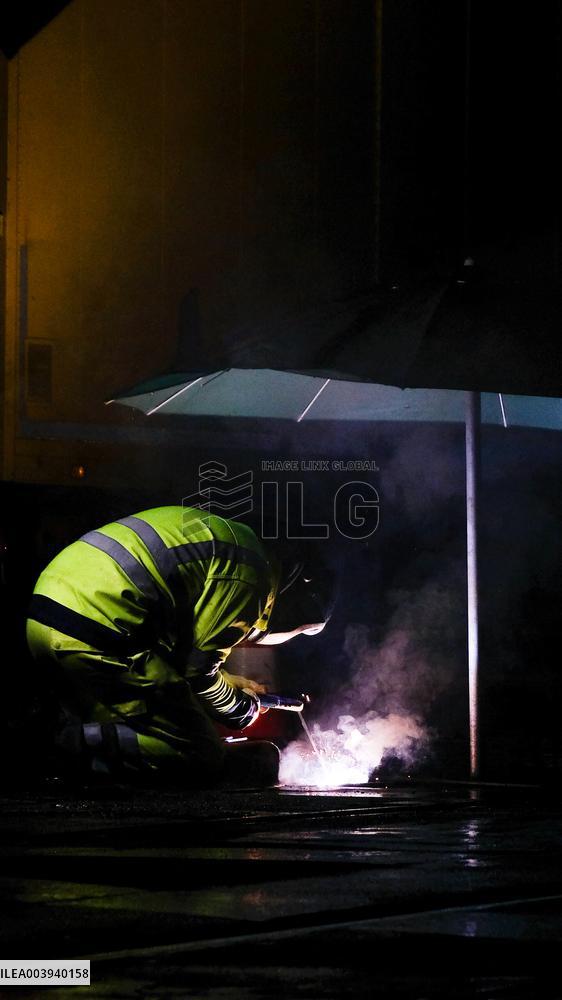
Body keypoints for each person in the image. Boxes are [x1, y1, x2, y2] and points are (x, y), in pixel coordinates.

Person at [26, 506, 336, 785]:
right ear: (295, 594)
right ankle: (58, 744)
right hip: (100, 629)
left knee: (130, 723)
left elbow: (180, 661)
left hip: (47, 618)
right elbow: (197, 672)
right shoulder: (253, 575)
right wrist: (237, 708)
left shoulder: (232, 543)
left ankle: (75, 740)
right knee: (199, 754)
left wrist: (230, 684)